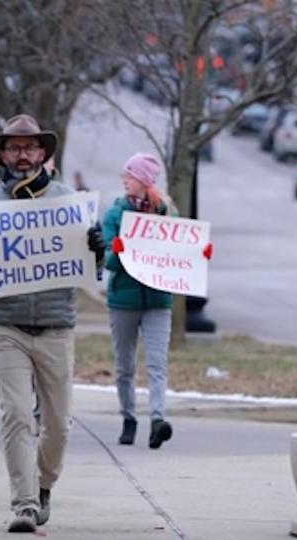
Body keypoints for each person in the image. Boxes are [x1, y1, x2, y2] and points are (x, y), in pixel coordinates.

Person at [0, 114, 106, 533]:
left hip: (56, 324)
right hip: (7, 326)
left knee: (58, 424)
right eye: (14, 148)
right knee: (17, 415)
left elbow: (92, 269)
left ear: (43, 153)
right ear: (3, 153)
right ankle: (22, 504)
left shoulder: (67, 201)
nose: (22, 155)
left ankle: (43, 485)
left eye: (30, 147)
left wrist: (98, 250)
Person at [100, 153, 205, 449]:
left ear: (144, 181)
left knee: (157, 363)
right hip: (123, 299)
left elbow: (180, 251)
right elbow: (105, 258)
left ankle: (158, 419)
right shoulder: (115, 215)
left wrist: (199, 255)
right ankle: (129, 418)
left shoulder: (166, 215)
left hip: (158, 299)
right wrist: (118, 252)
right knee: (125, 365)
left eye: (129, 176)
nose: (124, 180)